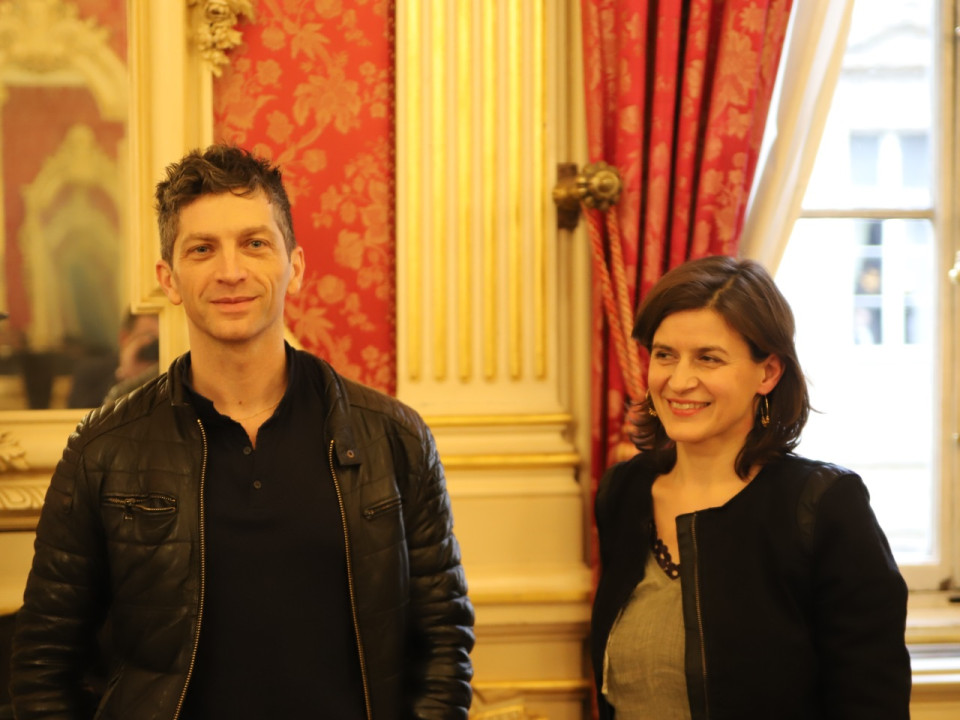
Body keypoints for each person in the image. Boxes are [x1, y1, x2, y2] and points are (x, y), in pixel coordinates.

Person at [9, 145, 475, 719]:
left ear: (294, 266)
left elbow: (444, 646)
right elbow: (43, 666)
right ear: (169, 279)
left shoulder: (394, 439)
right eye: (202, 249)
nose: (230, 271)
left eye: (254, 243)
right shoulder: (104, 450)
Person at [590, 256, 910, 719]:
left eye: (708, 358)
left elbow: (871, 702)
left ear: (768, 373)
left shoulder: (825, 504)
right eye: (665, 355)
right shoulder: (623, 493)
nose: (679, 381)